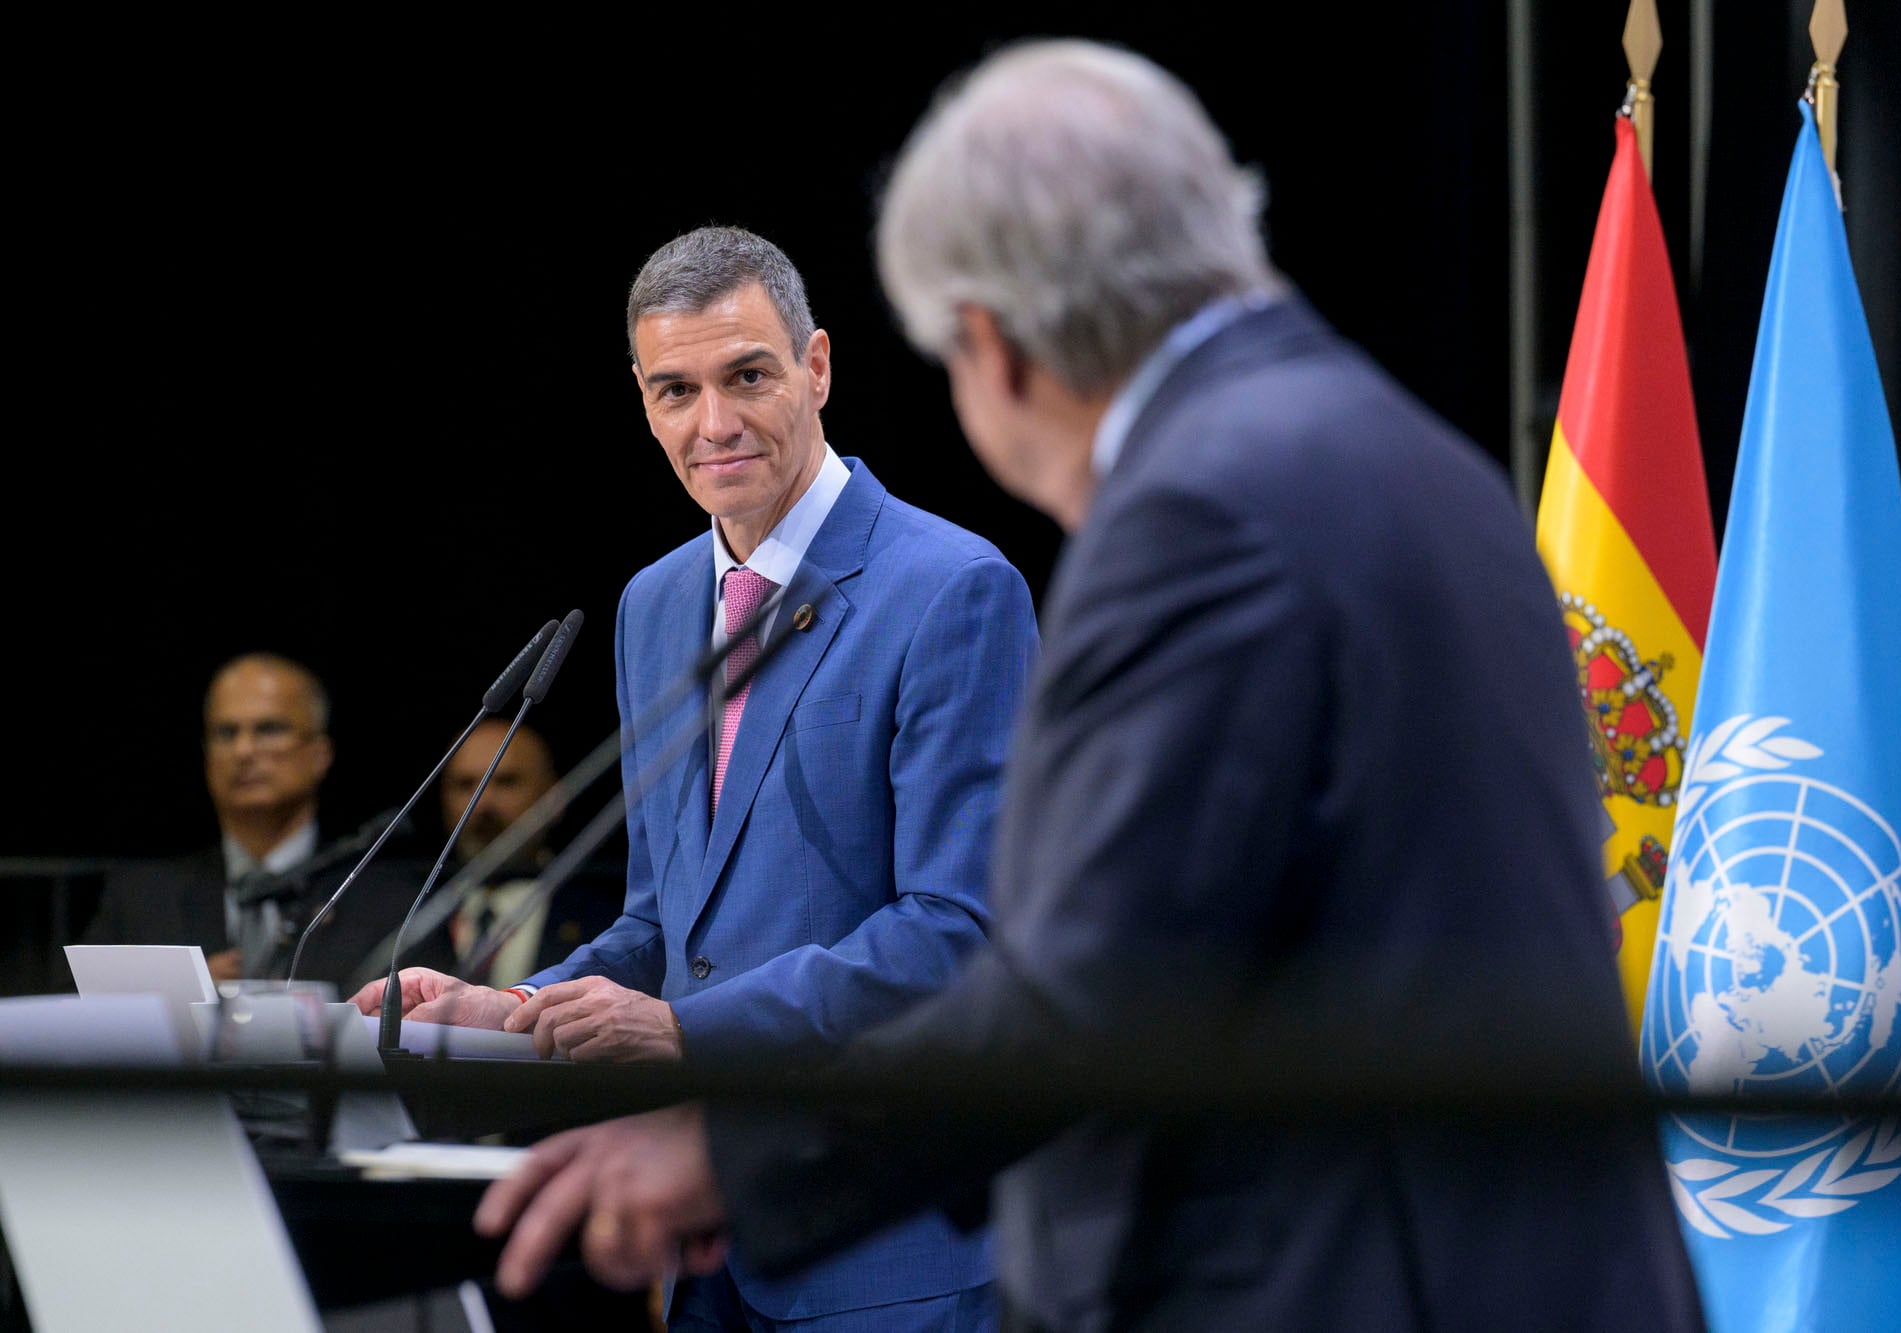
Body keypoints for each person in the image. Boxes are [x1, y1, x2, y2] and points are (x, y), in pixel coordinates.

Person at [473, 40, 1706, 1332]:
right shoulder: (1400, 450)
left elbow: (1071, 984)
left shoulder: (1196, 514)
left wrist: (730, 1159)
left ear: (991, 347)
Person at [355, 227, 1038, 1330]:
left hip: (886, 1245)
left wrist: (687, 1029)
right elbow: (664, 923)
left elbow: (959, 931)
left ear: (816, 366)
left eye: (747, 376)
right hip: (705, 1248)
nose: (711, 424)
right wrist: (516, 1008)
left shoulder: (952, 587)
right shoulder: (655, 602)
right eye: (674, 389)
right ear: (640, 399)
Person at [83, 652, 449, 987]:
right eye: (226, 733)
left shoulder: (397, 906)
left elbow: (428, 1034)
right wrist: (176, 992)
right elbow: (75, 1024)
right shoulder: (141, 898)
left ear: (319, 754)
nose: (243, 751)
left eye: (269, 729)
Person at [436, 718, 623, 987]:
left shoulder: (611, 921)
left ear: (553, 798)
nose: (483, 804)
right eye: (466, 785)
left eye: (506, 781)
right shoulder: (406, 914)